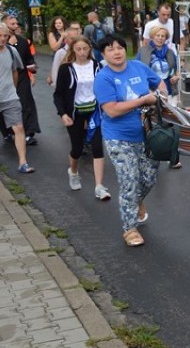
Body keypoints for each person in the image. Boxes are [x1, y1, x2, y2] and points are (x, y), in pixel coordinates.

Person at [94, 35, 166, 247]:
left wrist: (161, 95)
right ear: (103, 55)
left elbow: (158, 82)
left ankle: (136, 201)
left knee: (149, 178)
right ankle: (130, 228)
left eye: (120, 47)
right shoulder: (103, 78)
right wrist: (143, 100)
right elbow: (112, 110)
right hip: (118, 137)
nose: (116, 52)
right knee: (129, 181)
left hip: (147, 134)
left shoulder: (138, 67)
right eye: (110, 49)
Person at [53, 36, 110, 200]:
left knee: (97, 147)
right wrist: (63, 114)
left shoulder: (97, 66)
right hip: (75, 112)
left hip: (95, 111)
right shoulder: (66, 69)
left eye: (85, 49)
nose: (82, 52)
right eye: (78, 49)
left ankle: (99, 186)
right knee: (77, 149)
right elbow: (58, 95)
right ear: (73, 50)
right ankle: (73, 171)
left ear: (90, 49)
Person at [138, 25, 183, 170]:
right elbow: (137, 71)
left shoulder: (170, 52)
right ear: (152, 36)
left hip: (168, 91)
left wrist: (175, 77)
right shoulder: (143, 51)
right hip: (150, 92)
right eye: (158, 35)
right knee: (149, 125)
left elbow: (175, 71)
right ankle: (151, 154)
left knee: (173, 125)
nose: (160, 38)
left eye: (163, 36)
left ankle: (173, 158)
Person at [0, 22, 34, 173]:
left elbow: (15, 71)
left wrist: (12, 89)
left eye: (5, 36)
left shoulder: (11, 51)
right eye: (0, 36)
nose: (2, 39)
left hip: (9, 97)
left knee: (19, 127)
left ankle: (23, 162)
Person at [4, 15, 40, 145]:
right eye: (12, 24)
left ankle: (28, 133)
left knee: (25, 103)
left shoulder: (23, 41)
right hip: (5, 78)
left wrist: (32, 69)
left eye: (16, 24)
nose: (15, 26)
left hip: (22, 77)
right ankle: (8, 131)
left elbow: (29, 60)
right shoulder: (2, 43)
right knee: (6, 105)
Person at [49, 21, 82, 88]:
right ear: (66, 40)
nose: (75, 41)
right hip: (67, 87)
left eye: (77, 38)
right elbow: (55, 71)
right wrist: (58, 88)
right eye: (72, 39)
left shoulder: (85, 51)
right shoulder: (61, 53)